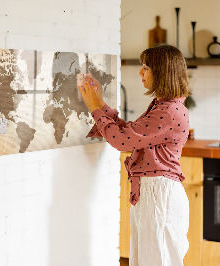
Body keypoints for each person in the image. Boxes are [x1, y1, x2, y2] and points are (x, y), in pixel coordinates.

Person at [79, 44, 191, 266]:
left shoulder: (168, 111)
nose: (140, 72)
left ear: (162, 72)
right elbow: (130, 133)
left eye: (146, 67)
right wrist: (100, 103)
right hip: (154, 193)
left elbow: (122, 141)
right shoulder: (164, 106)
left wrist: (94, 108)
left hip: (159, 195)